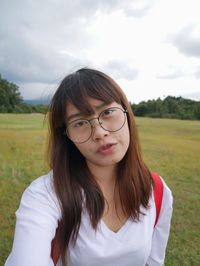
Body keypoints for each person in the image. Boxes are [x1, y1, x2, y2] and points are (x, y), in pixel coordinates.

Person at [5, 68, 173, 266]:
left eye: (108, 112)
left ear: (126, 112)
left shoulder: (157, 191)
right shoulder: (45, 195)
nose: (100, 132)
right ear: (66, 136)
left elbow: (153, 262)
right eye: (80, 123)